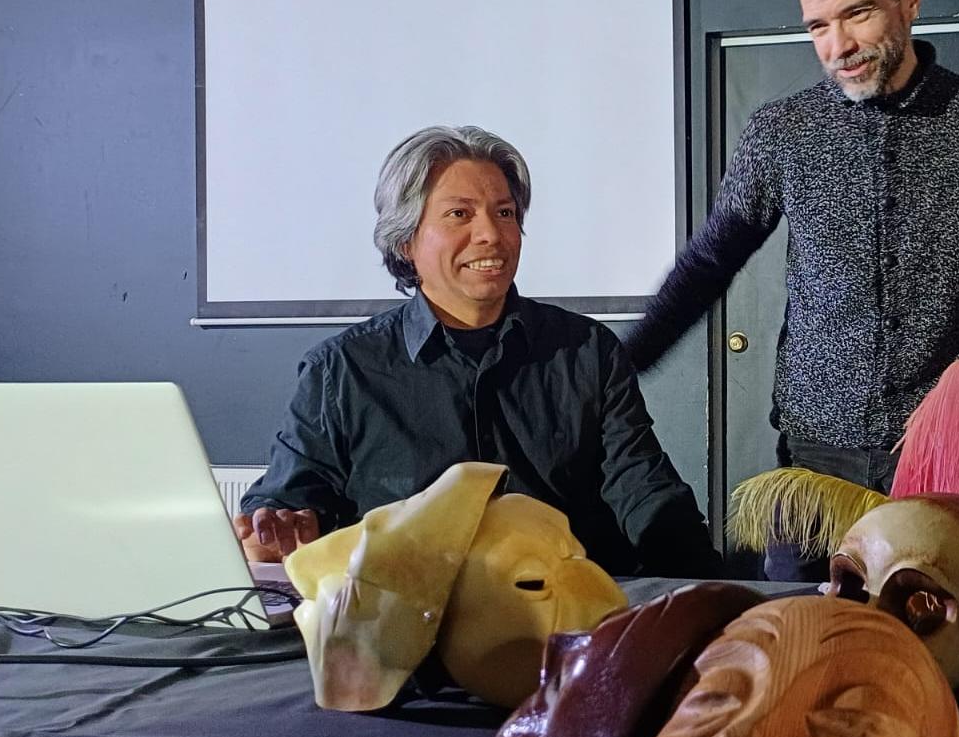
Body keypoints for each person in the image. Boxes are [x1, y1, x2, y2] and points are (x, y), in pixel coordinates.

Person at [623, 0, 959, 576]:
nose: (838, 45)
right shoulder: (781, 132)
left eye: (857, 14)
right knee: (802, 637)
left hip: (946, 452)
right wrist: (620, 367)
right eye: (818, 26)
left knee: (947, 643)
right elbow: (711, 260)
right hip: (814, 462)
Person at [235, 125, 719, 577]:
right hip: (407, 629)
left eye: (504, 213)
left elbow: (643, 488)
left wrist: (714, 588)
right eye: (459, 214)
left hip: (562, 616)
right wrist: (276, 526)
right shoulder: (341, 371)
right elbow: (289, 498)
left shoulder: (587, 352)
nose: (492, 234)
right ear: (406, 241)